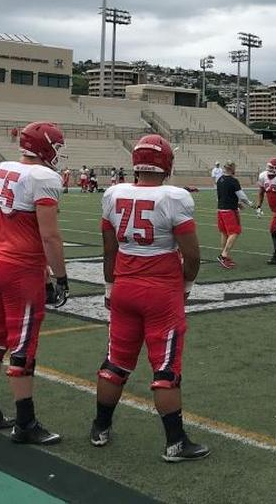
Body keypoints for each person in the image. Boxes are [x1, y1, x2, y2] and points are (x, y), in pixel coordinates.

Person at [92, 134, 208, 462]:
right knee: (166, 367)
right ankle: (175, 443)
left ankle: (100, 428)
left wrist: (109, 287)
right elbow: (193, 255)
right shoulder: (174, 197)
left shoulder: (114, 193)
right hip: (160, 290)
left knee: (116, 361)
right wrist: (186, 285)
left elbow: (109, 248)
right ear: (166, 163)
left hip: (124, 286)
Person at [0, 121, 70, 444]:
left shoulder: (3, 168)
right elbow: (50, 235)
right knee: (23, 347)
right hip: (19, 269)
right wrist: (60, 276)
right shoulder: (44, 177)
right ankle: (25, 423)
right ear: (44, 146)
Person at [215, 161, 254, 268]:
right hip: (229, 211)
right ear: (232, 169)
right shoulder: (233, 181)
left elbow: (220, 196)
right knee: (235, 232)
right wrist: (250, 203)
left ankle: (224, 255)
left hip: (220, 209)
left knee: (224, 233)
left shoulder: (220, 180)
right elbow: (242, 196)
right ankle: (224, 255)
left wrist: (237, 203)